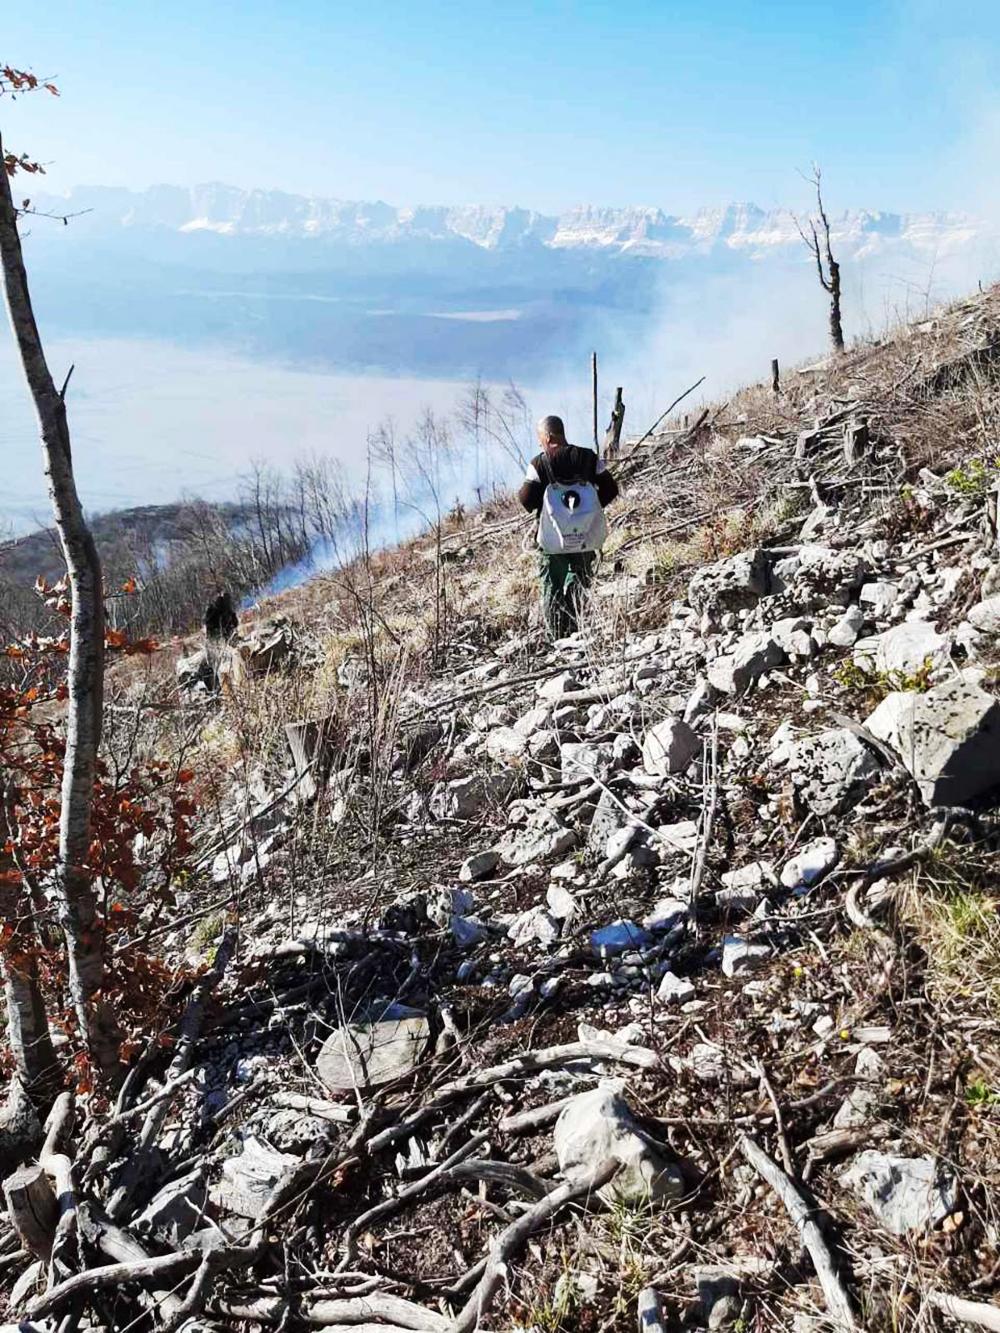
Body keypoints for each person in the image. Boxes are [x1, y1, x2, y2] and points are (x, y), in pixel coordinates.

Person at [517, 414, 619, 638]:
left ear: (548, 436)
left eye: (540, 438)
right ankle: (576, 632)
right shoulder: (588, 457)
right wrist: (587, 512)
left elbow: (526, 500)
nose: (539, 442)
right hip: (584, 537)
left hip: (552, 541)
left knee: (552, 586)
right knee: (580, 579)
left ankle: (558, 639)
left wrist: (545, 507)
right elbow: (611, 489)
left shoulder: (539, 463)